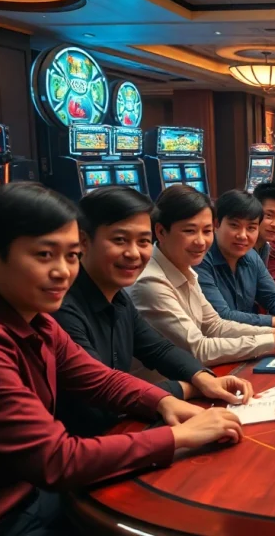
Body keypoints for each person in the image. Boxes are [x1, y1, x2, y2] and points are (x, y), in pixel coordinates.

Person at [0, 183, 242, 536]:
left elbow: (101, 379)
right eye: (44, 255)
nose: (63, 271)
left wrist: (163, 400)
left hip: (36, 495)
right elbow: (56, 460)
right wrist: (179, 437)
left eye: (70, 256)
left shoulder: (33, 317)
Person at [54, 187, 254, 438]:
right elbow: (101, 393)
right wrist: (186, 389)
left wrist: (204, 378)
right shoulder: (61, 307)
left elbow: (158, 349)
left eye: (143, 241)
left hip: (123, 430)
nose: (134, 253)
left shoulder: (117, 296)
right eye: (120, 240)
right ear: (83, 241)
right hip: (90, 446)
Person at [131, 185, 275, 366]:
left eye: (206, 231)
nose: (200, 241)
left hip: (197, 375)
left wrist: (274, 334)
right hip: (164, 386)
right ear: (161, 231)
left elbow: (215, 325)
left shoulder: (186, 266)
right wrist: (273, 339)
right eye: (189, 231)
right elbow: (199, 349)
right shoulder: (150, 282)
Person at [195, 190, 275, 328]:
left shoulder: (251, 256)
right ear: (216, 224)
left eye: (251, 228)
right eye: (234, 225)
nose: (243, 235)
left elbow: (273, 296)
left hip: (250, 340)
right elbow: (222, 316)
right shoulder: (200, 259)